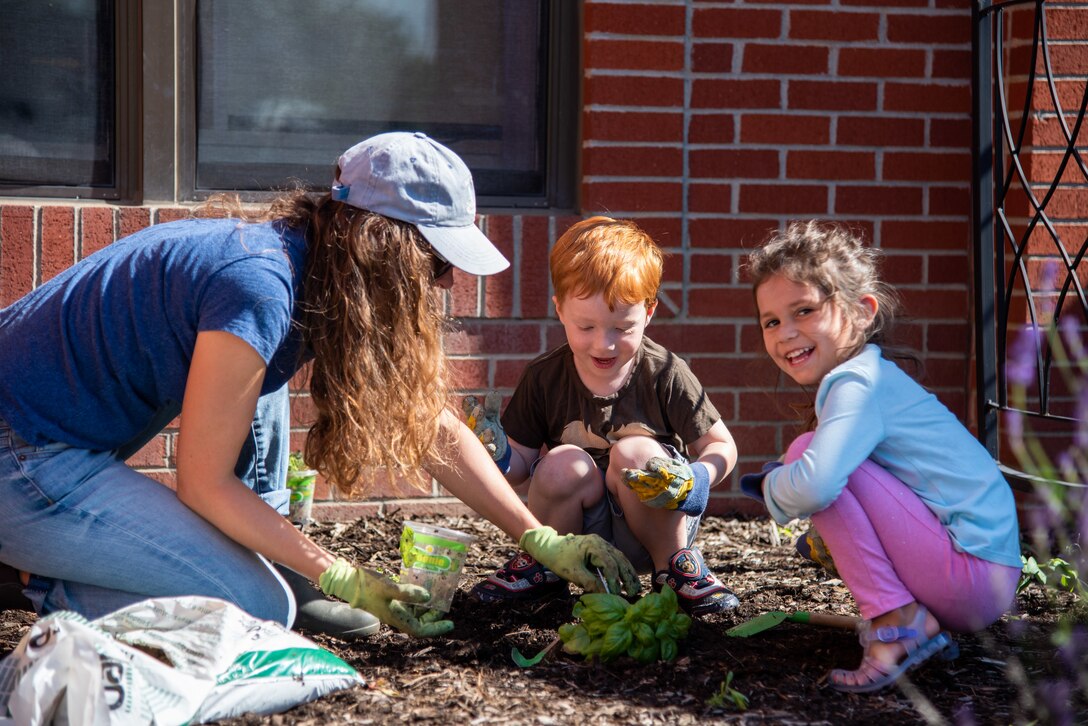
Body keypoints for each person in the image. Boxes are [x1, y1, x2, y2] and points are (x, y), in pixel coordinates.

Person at [0, 131, 640, 641]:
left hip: (51, 444)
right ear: (383, 244)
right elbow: (203, 481)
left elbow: (423, 422)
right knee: (255, 606)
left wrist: (538, 536)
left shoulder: (306, 268)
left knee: (264, 380)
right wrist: (340, 575)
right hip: (20, 456)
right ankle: (29, 573)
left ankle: (262, 555)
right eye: (438, 261)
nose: (444, 283)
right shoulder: (258, 285)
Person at [741, 220, 1021, 692]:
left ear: (863, 311)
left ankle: (899, 624)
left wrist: (769, 486)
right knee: (813, 459)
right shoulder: (869, 378)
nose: (786, 333)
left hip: (971, 573)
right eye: (771, 321)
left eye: (804, 310)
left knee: (807, 455)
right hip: (985, 574)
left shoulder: (857, 383)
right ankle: (907, 618)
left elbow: (814, 484)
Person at [464, 216, 740, 616]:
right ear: (559, 310)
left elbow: (721, 445)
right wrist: (498, 454)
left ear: (649, 312)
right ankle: (548, 567)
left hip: (654, 525)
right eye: (586, 325)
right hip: (579, 532)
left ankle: (675, 570)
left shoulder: (664, 372)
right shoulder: (545, 377)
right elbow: (522, 468)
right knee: (561, 464)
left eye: (621, 327)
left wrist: (697, 479)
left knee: (635, 454)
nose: (603, 343)